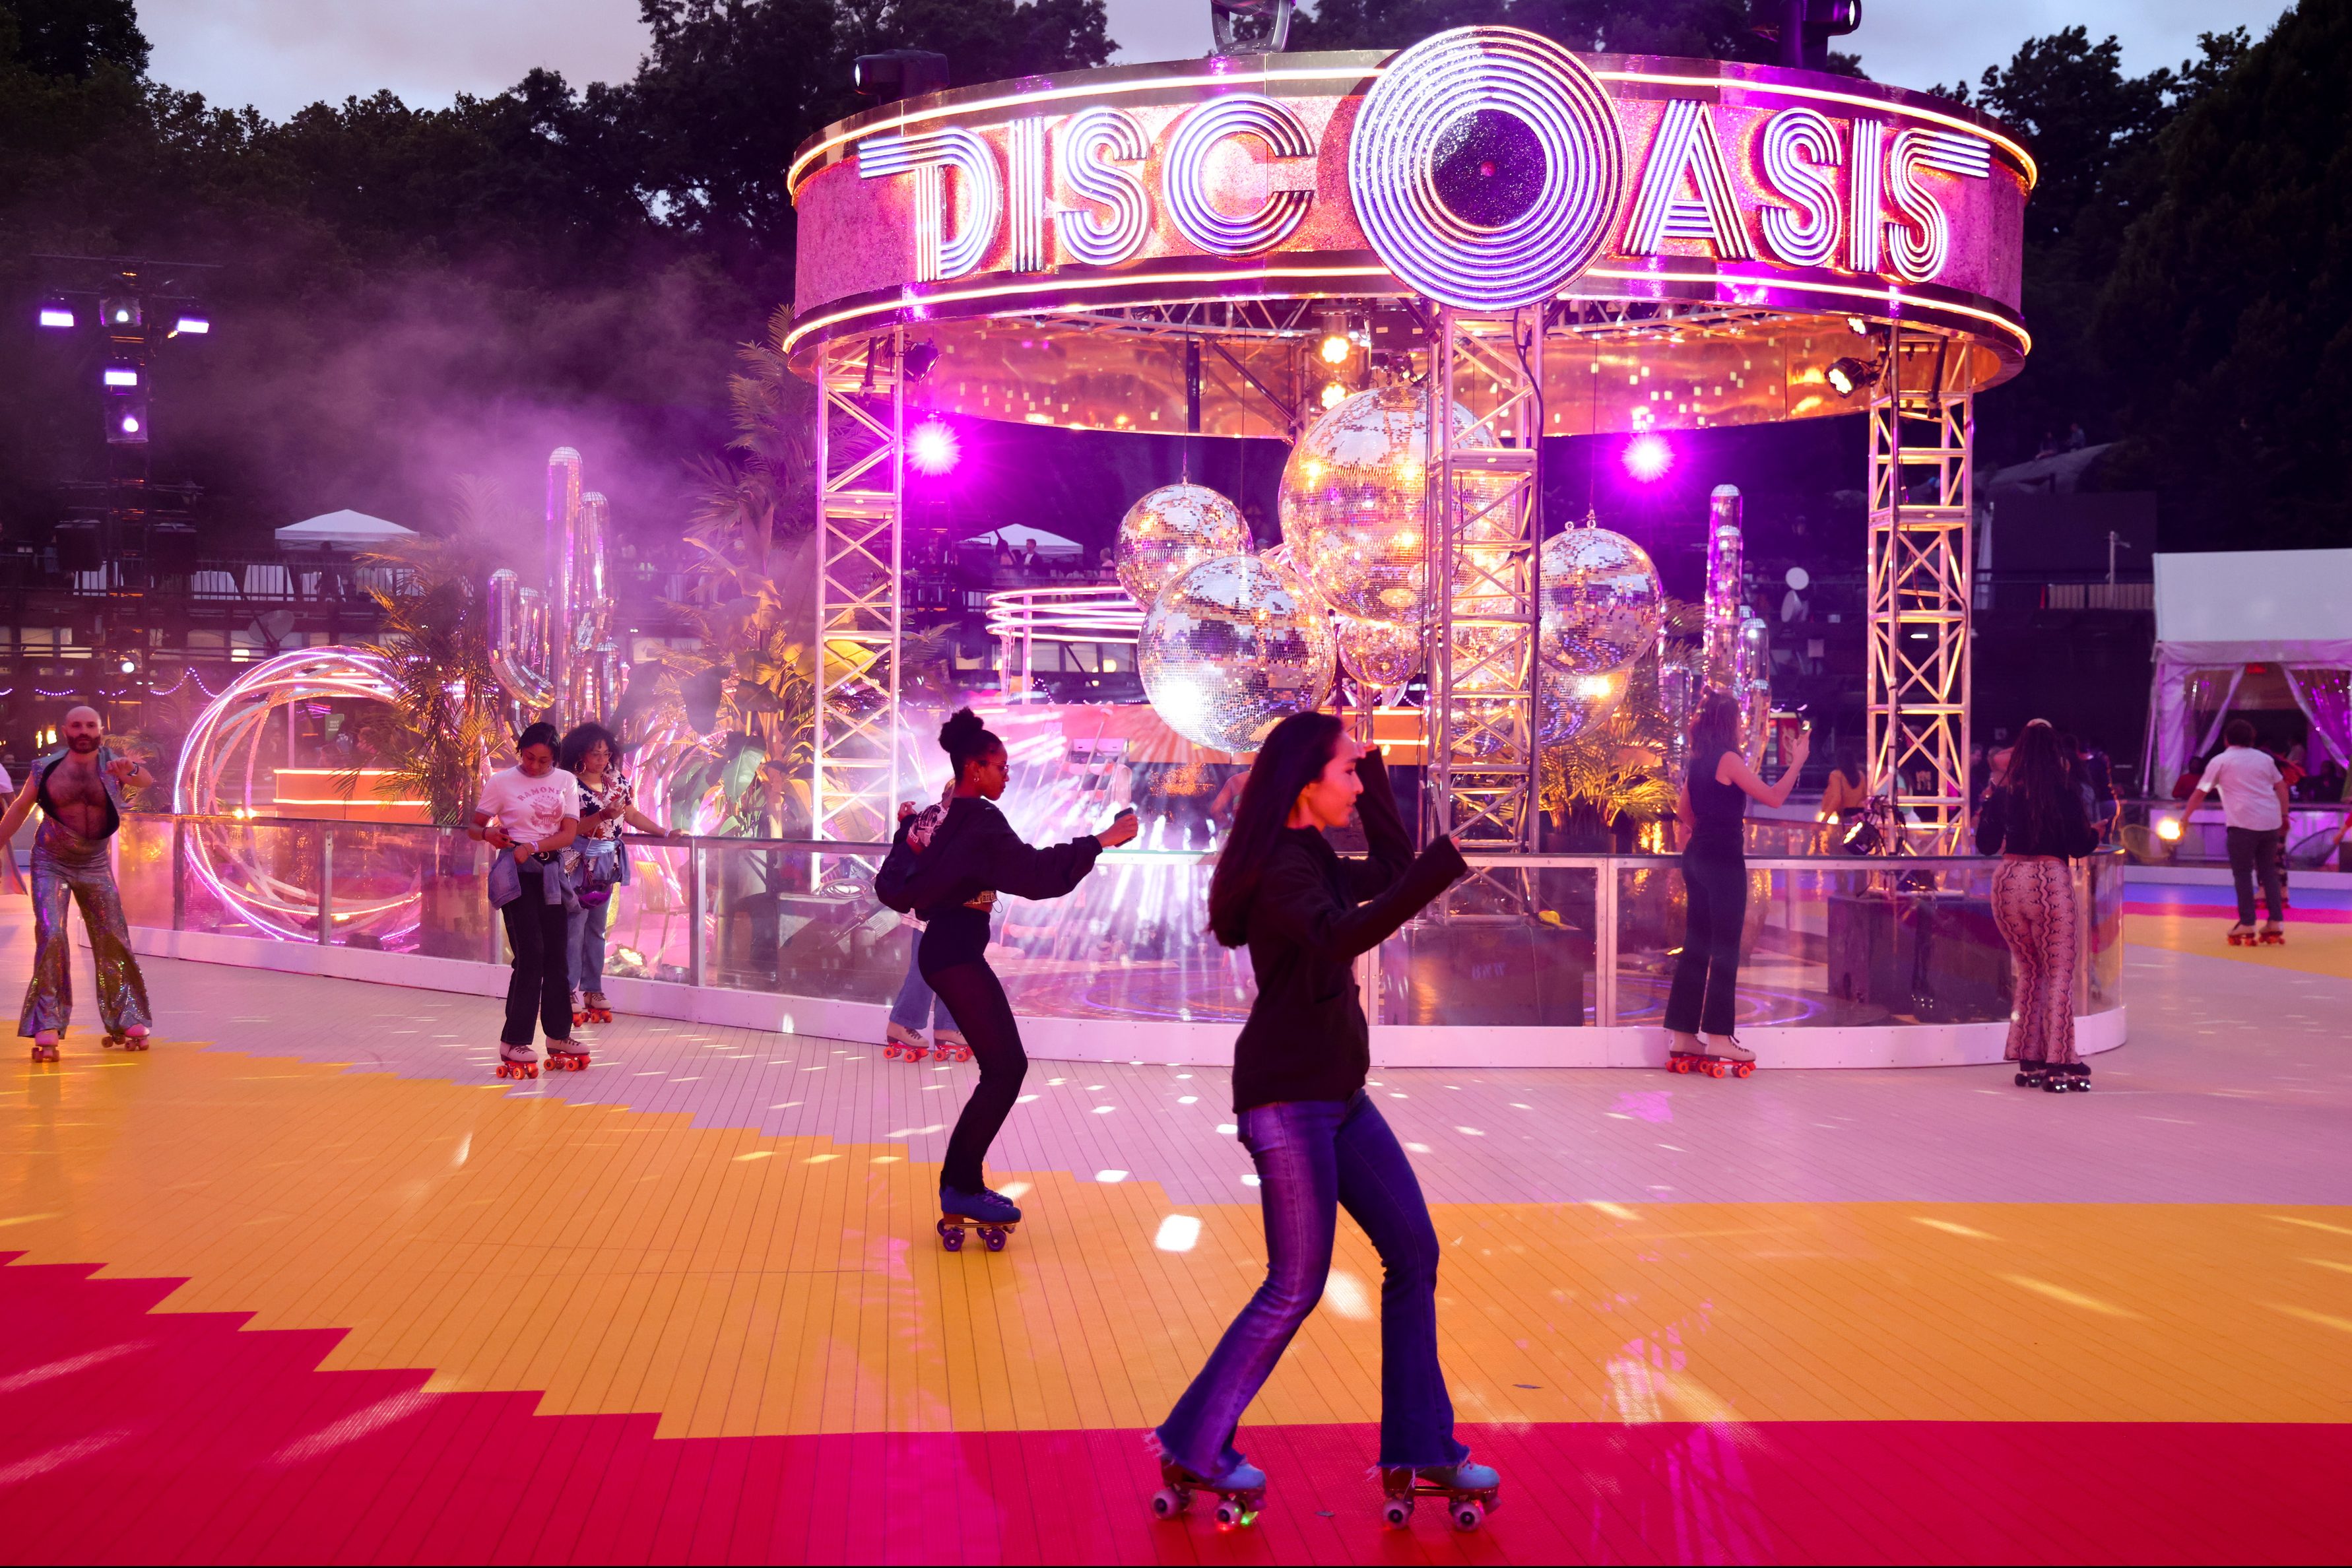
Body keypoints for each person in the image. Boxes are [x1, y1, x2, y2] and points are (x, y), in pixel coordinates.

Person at [1150, 711, 1495, 1525]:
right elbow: (1343, 936)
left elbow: (1390, 866)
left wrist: (1374, 775)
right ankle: (1195, 1444)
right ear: (1307, 783)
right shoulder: (1282, 871)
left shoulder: (1314, 855)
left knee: (1414, 1252)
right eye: (1345, 772)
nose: (1351, 782)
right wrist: (1440, 871)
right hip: (1287, 1101)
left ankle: (1421, 1447)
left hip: (1339, 1097)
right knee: (1296, 1285)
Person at [874, 709, 1137, 1236]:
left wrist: (906, 830)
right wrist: (1101, 841)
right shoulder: (979, 822)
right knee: (1006, 1068)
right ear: (974, 768)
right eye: (1000, 766)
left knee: (1003, 1068)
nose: (1007, 775)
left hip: (947, 950)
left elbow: (908, 873)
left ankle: (962, 1182)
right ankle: (960, 1184)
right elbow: (1035, 874)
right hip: (952, 953)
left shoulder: (944, 820)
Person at [1666, 691, 1809, 1074]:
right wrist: (1797, 763)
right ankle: (1718, 1038)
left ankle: (1682, 1035)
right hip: (1723, 861)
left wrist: (1707, 832)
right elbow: (1775, 798)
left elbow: (1683, 812)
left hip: (1695, 857)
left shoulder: (1697, 761)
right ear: (1729, 723)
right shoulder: (1729, 759)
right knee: (1726, 949)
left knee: (1695, 945)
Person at [0, 707, 154, 1061]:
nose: (84, 731)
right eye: (77, 725)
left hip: (95, 864)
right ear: (64, 730)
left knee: (113, 936)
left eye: (90, 725)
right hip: (51, 863)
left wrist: (129, 769)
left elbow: (144, 780)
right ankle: (48, 1022)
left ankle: (128, 1017)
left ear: (100, 729)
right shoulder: (46, 768)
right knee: (52, 934)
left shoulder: (113, 763)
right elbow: (21, 807)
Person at [1976, 721, 2101, 1089]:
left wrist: (1991, 797)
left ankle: (2029, 1054)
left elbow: (1985, 843)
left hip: (2009, 881)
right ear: (2055, 753)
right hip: (2049, 881)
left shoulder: (2005, 792)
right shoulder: (2066, 791)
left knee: (2030, 971)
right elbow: (2079, 845)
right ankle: (2061, 1058)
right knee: (2059, 971)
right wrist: (2097, 832)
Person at [468, 722, 584, 1078]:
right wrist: (489, 834)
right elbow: (474, 826)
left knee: (557, 957)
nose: (535, 767)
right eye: (529, 758)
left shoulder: (566, 780)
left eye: (544, 760)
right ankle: (514, 1040)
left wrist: (534, 846)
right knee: (530, 954)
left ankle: (559, 1035)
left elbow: (569, 832)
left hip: (551, 873)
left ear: (556, 759)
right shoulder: (501, 782)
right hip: (516, 875)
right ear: (521, 751)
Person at [558, 723, 681, 1026]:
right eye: (594, 753)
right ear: (579, 754)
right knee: (574, 928)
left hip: (607, 862)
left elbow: (632, 814)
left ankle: (593, 988)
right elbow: (568, 829)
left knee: (598, 928)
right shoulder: (568, 784)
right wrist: (601, 816)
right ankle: (567, 989)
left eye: (606, 753)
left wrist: (664, 832)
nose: (601, 759)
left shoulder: (617, 781)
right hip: (576, 861)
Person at [2182, 719, 2291, 944]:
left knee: (2242, 874)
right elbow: (2281, 786)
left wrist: (2185, 818)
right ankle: (2276, 922)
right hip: (2270, 822)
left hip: (2243, 824)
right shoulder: (2265, 759)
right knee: (2268, 872)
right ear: (2252, 738)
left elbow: (2201, 791)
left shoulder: (2221, 761)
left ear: (2226, 739)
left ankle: (2247, 922)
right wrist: (2284, 815)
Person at [882, 780, 968, 1062]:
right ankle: (902, 1022)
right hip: (933, 909)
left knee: (948, 970)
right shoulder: (945, 820)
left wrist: (907, 820)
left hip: (943, 909)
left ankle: (946, 1027)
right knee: (926, 968)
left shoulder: (931, 816)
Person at [1819, 748, 1866, 822]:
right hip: (1861, 814)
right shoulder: (1861, 775)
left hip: (1845, 814)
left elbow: (1837, 798)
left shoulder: (1836, 775)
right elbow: (1866, 796)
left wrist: (1824, 819)